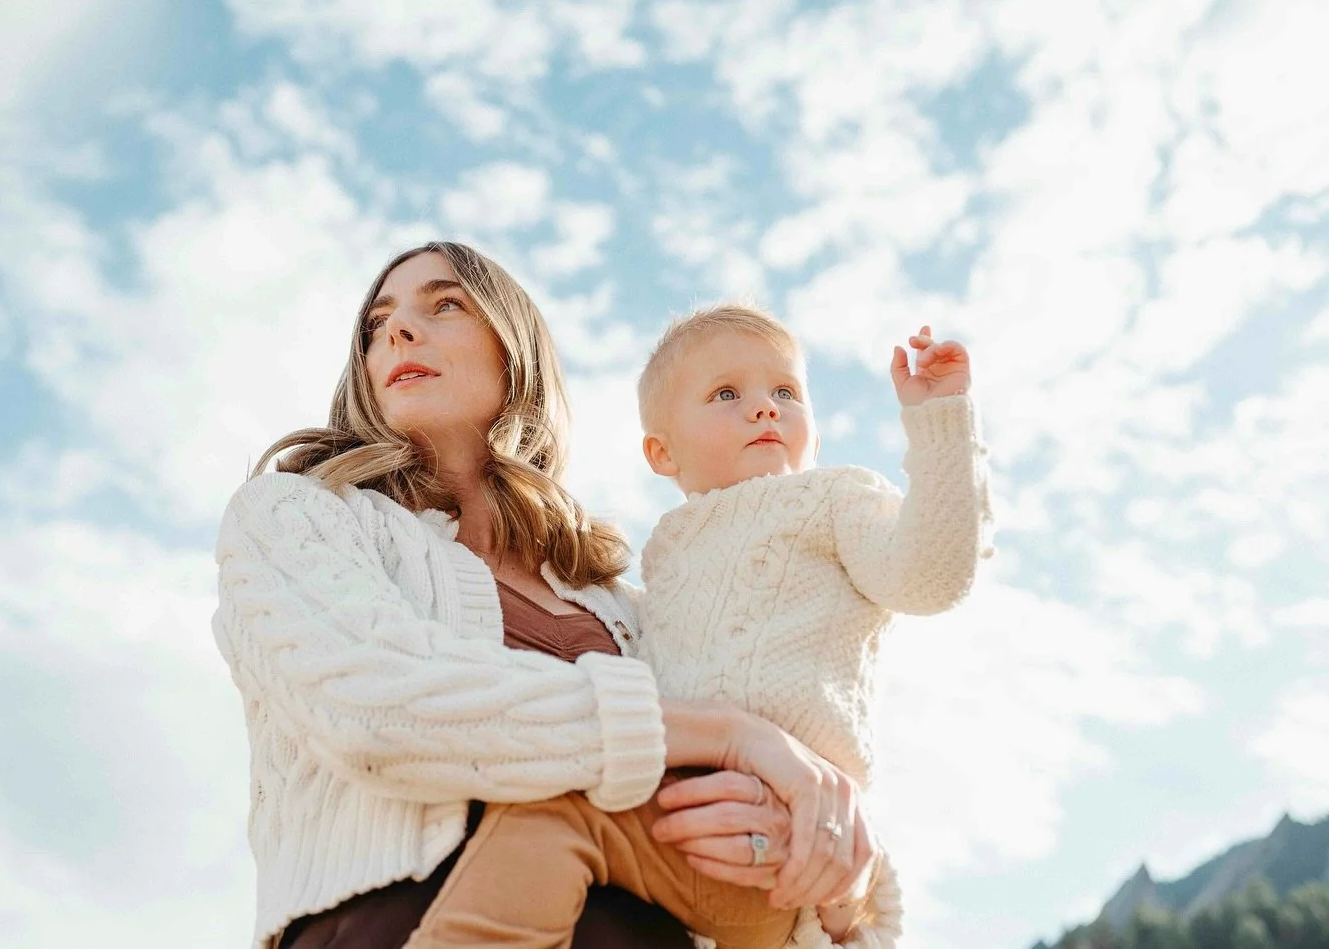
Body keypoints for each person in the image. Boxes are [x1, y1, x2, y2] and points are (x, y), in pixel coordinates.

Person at [212, 243, 880, 949]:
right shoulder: (296, 515)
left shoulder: (622, 605)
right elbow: (377, 706)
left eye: (445, 305)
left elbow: (777, 775)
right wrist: (730, 736)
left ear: (516, 351)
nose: (399, 333)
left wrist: (834, 878)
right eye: (377, 327)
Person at [401, 306, 993, 949]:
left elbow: (933, 576)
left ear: (815, 437)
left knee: (549, 824)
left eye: (786, 392)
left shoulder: (835, 502)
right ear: (662, 452)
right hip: (682, 826)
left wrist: (939, 422)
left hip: (779, 826)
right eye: (727, 394)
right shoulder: (661, 560)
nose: (765, 408)